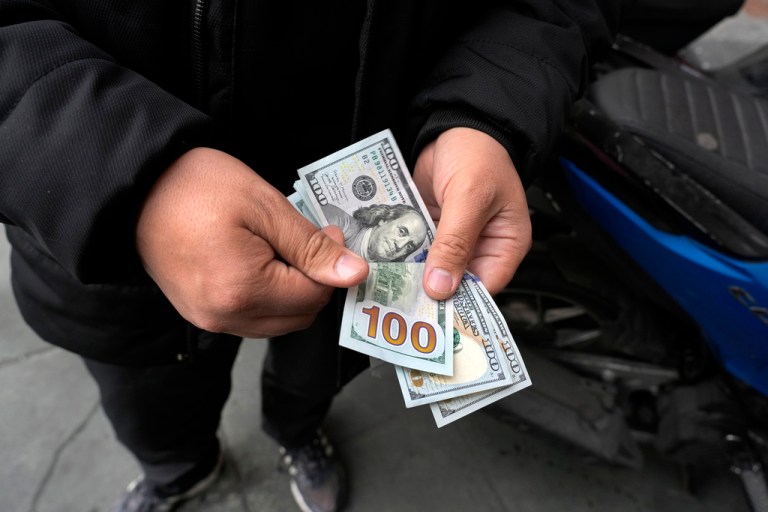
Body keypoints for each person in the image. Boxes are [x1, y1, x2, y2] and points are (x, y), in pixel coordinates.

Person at [0, 1, 627, 511]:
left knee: (312, 380)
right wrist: (125, 173)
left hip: (376, 216)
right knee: (154, 411)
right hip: (114, 264)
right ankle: (179, 475)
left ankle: (296, 434)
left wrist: (486, 113)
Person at [323, 203, 429, 262]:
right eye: (401, 232)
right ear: (384, 220)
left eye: (409, 246)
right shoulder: (338, 222)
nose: (400, 245)